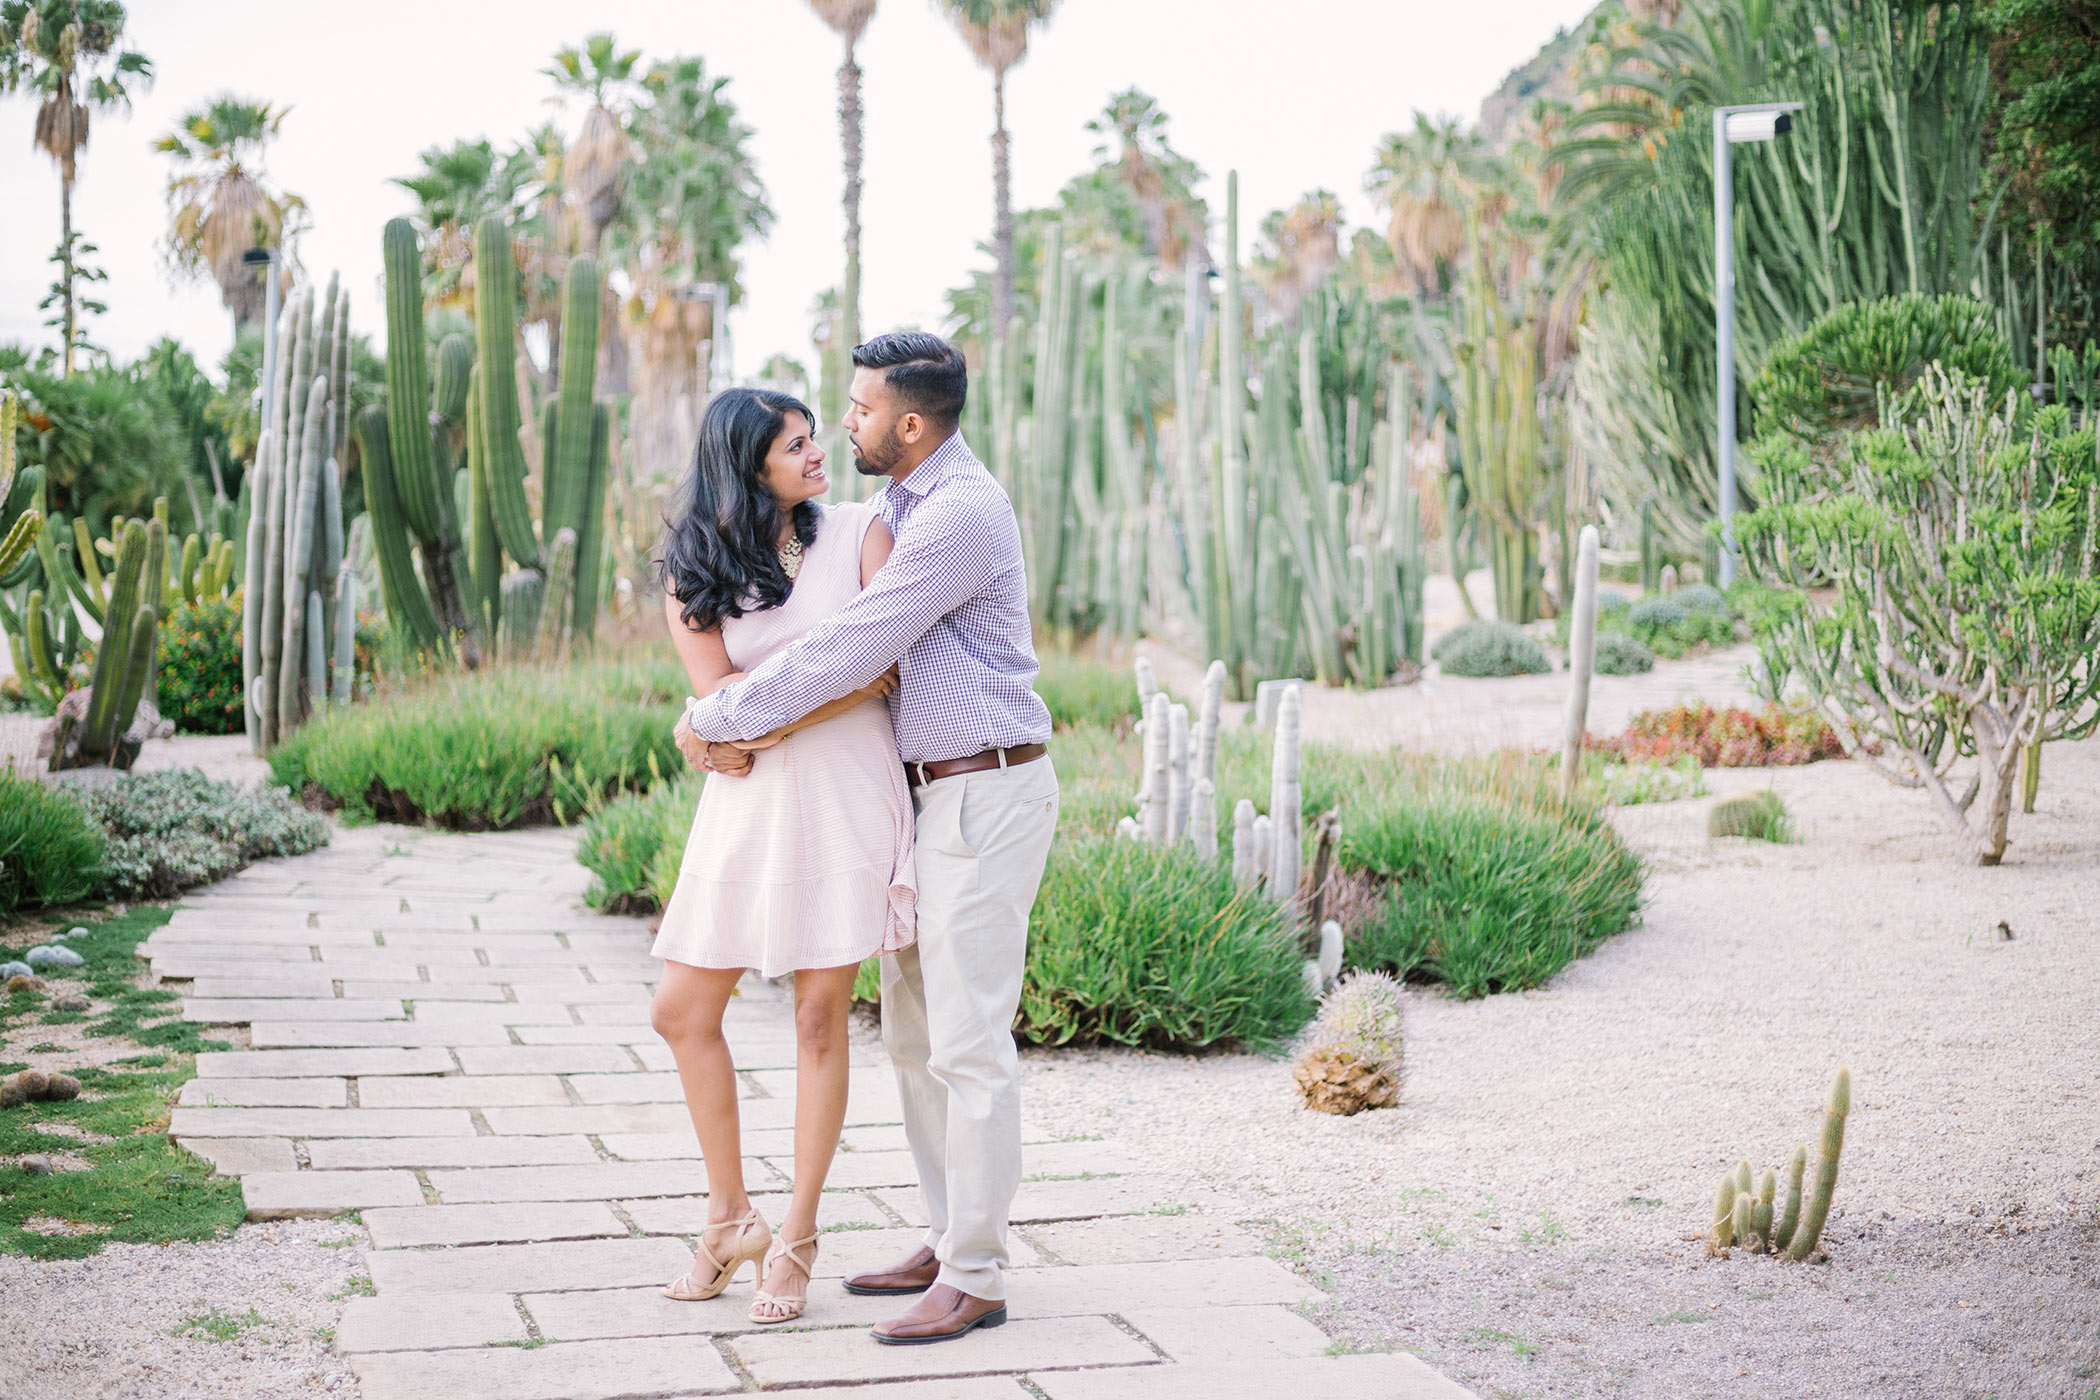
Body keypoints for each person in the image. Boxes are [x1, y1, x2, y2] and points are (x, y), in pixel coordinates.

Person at [681, 332, 1058, 1346]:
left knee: (970, 1040)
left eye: (856, 410)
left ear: (911, 424)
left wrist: (713, 719)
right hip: (929, 798)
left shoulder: (958, 516)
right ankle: (948, 1233)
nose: (842, 423)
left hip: (985, 788)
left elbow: (853, 644)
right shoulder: (902, 502)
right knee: (914, 1034)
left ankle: (976, 1272)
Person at [648, 386, 915, 1326]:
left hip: (845, 793)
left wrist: (733, 718)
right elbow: (716, 696)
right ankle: (730, 1219)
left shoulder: (859, 536)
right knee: (680, 1011)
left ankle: (797, 1232)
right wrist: (718, 720)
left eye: (814, 438)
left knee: (816, 1017)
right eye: (795, 445)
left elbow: (883, 670)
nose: (817, 455)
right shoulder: (694, 569)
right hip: (749, 804)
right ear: (745, 463)